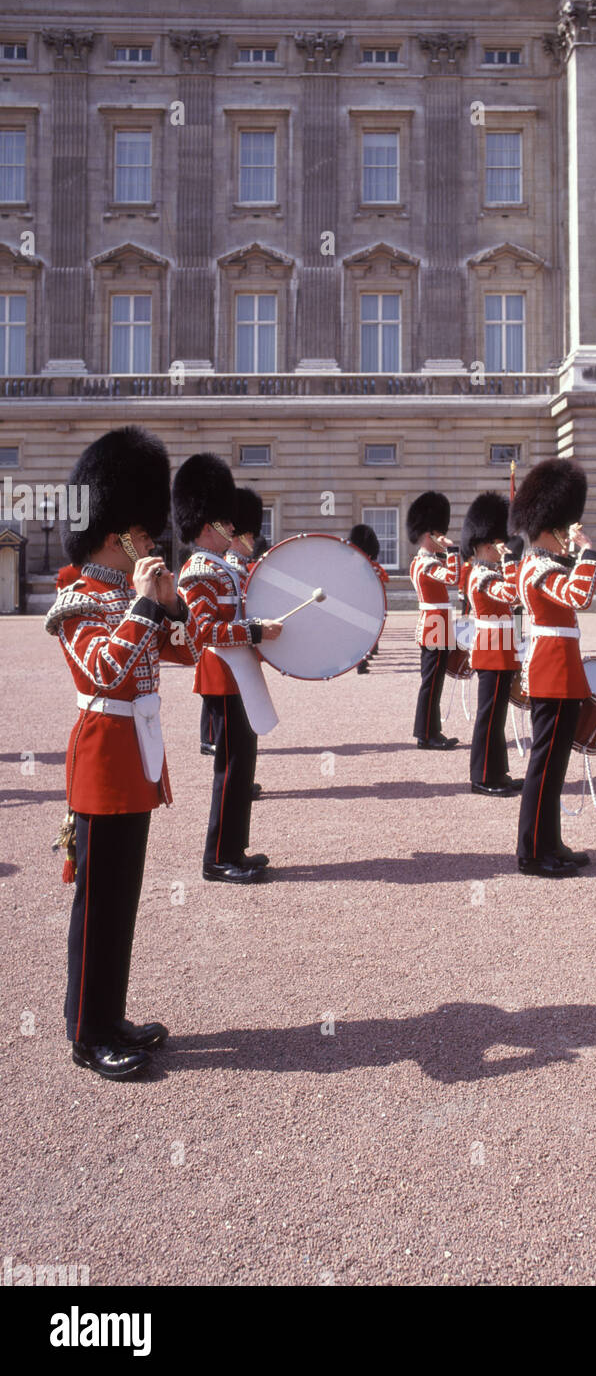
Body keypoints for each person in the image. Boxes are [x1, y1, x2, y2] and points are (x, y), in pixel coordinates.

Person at [45, 426, 203, 1079]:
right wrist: (144, 603)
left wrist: (172, 607)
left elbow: (189, 655)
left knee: (123, 898)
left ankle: (111, 1016)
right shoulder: (80, 598)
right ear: (119, 534)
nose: (155, 542)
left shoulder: (122, 596)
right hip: (104, 757)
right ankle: (87, 1032)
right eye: (146, 533)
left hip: (135, 754)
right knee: (99, 901)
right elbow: (105, 671)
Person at [173, 455, 283, 885]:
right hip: (222, 673)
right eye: (223, 523)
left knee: (244, 766)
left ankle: (234, 847)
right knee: (231, 767)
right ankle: (217, 857)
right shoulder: (198, 570)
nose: (231, 530)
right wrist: (255, 631)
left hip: (240, 672)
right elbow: (205, 630)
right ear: (204, 527)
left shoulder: (223, 567)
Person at [509, 459, 596, 877]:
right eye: (565, 528)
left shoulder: (544, 561)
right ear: (552, 526)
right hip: (550, 670)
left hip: (560, 668)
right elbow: (579, 596)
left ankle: (551, 841)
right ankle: (531, 852)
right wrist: (588, 552)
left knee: (555, 765)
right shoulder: (541, 566)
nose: (569, 535)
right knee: (543, 767)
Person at [461, 491, 523, 797]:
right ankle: (482, 776)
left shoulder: (487, 571)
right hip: (491, 651)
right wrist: (512, 561)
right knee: (488, 719)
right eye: (499, 544)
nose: (503, 549)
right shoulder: (482, 576)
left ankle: (498, 772)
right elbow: (513, 594)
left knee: (497, 718)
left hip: (501, 649)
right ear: (487, 545)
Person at [408, 491, 460, 749]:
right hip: (434, 626)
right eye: (439, 535)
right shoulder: (427, 564)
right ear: (430, 535)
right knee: (432, 683)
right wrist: (452, 549)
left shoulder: (421, 561)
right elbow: (454, 578)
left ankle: (429, 731)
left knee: (433, 683)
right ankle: (427, 734)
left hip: (433, 624)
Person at [225, 488, 266, 801]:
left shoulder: (239, 569)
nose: (253, 541)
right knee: (233, 748)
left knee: (246, 738)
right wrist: (257, 631)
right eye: (249, 535)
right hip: (226, 666)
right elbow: (208, 629)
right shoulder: (221, 569)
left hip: (243, 661)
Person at [348, 523, 389, 675]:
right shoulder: (370, 566)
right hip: (364, 603)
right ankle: (361, 662)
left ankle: (361, 660)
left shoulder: (364, 565)